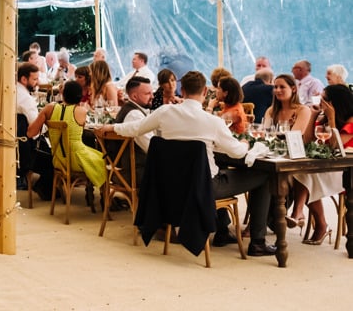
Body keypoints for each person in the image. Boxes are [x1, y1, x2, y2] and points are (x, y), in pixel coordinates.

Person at [96, 70, 277, 256]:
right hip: (204, 187)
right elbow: (237, 152)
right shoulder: (212, 122)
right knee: (263, 176)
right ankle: (258, 242)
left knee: (217, 167)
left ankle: (222, 230)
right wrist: (246, 143)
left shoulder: (164, 112)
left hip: (171, 185)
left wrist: (111, 126)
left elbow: (135, 128)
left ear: (182, 91)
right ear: (205, 91)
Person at [286, 84, 353, 245]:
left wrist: (332, 118)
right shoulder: (323, 118)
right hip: (323, 168)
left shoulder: (350, 120)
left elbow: (335, 146)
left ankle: (303, 216)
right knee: (302, 173)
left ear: (333, 103)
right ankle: (304, 216)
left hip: (344, 173)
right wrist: (313, 116)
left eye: (323, 99)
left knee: (306, 175)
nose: (320, 102)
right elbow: (307, 141)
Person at [28, 80, 106, 188]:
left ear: (63, 94)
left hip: (57, 159)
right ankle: (104, 195)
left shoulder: (49, 108)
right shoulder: (81, 111)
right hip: (78, 159)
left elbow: (30, 133)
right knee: (105, 161)